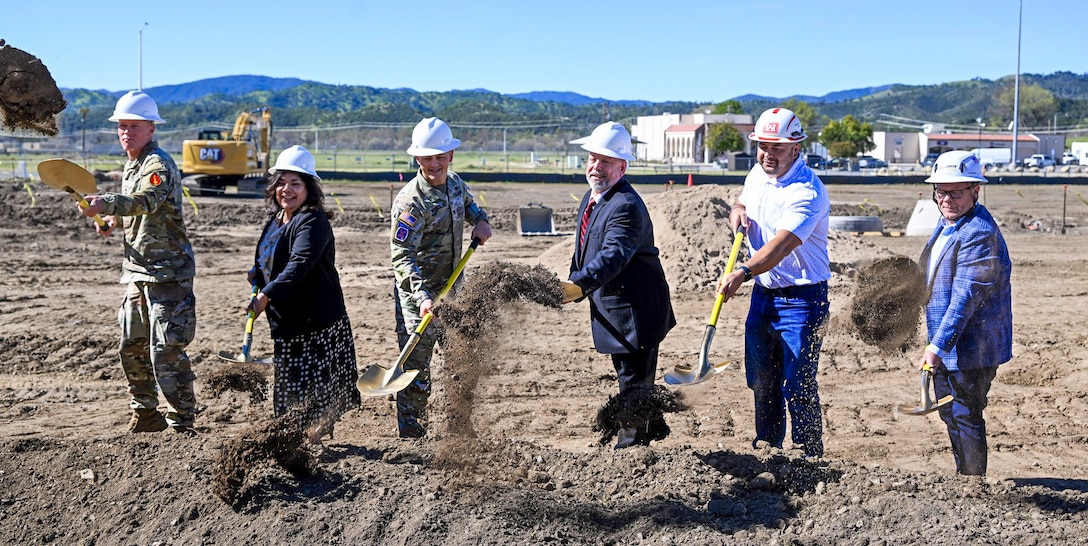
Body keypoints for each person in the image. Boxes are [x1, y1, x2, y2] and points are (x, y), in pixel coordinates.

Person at [80, 90, 197, 434]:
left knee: (166, 351)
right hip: (138, 272)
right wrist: (115, 220)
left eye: (134, 126)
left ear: (151, 129)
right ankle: (146, 414)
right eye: (122, 126)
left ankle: (182, 422)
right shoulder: (132, 165)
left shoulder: (157, 164)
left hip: (168, 274)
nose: (126, 132)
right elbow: (139, 210)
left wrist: (107, 203)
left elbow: (147, 200)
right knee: (131, 346)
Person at [717, 107, 831, 459]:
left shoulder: (807, 192)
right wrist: (737, 212)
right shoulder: (757, 174)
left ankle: (808, 454)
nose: (767, 155)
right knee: (762, 378)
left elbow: (780, 246)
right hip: (764, 294)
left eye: (776, 148)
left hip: (803, 298)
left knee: (797, 381)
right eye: (762, 146)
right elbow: (742, 202)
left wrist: (742, 272)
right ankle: (767, 446)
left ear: (796, 147)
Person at [560, 121, 676, 449]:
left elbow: (613, 255)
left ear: (622, 166)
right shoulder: (594, 196)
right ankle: (651, 427)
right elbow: (584, 247)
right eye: (593, 159)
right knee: (633, 377)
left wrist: (578, 286)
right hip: (615, 310)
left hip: (635, 313)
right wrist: (572, 279)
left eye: (606, 161)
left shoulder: (625, 205)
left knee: (633, 381)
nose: (596, 167)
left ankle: (632, 446)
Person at [247, 145, 360, 440]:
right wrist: (257, 274)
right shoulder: (276, 220)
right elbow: (268, 255)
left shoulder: (312, 221)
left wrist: (266, 295)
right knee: (290, 387)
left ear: (309, 188)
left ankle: (313, 436)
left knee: (318, 387)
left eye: (295, 183)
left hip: (317, 320)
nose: (287, 189)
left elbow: (299, 264)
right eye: (282, 182)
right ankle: (295, 437)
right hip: (288, 321)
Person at [390, 117, 492, 438]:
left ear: (450, 156)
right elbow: (402, 257)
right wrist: (421, 297)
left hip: (453, 295)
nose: (434, 164)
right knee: (416, 373)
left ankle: (459, 425)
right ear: (417, 158)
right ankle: (412, 433)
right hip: (419, 300)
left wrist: (481, 220)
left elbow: (470, 205)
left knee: (463, 360)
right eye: (427, 157)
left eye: (439, 156)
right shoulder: (411, 202)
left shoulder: (456, 184)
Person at [918, 150, 1012, 476]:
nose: (946, 199)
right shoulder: (949, 223)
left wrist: (937, 346)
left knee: (965, 413)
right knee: (950, 412)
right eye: (941, 191)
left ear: (975, 190)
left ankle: (973, 485)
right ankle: (964, 478)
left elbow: (964, 297)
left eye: (956, 192)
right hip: (949, 343)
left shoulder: (979, 233)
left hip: (974, 346)